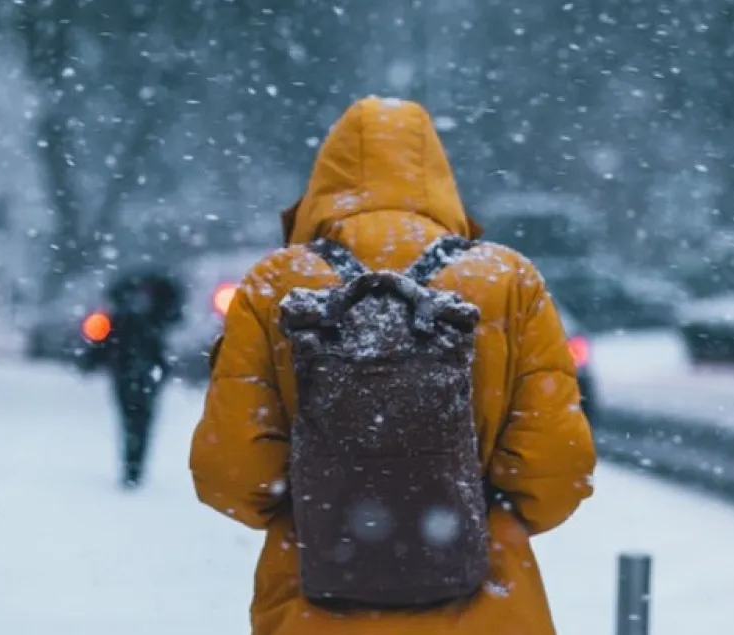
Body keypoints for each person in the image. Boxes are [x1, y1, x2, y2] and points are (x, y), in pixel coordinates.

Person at [190, 96, 597, 635]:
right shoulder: (507, 280)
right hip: (489, 607)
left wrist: (330, 505)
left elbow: (231, 477)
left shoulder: (274, 285)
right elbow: (556, 471)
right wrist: (463, 513)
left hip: (312, 602)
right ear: (438, 177)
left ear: (324, 181)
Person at [79, 268, 183, 489]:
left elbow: (103, 343)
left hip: (127, 372)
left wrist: (91, 362)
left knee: (130, 420)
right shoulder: (155, 315)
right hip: (144, 373)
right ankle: (135, 466)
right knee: (141, 420)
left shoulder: (123, 315)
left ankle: (132, 466)